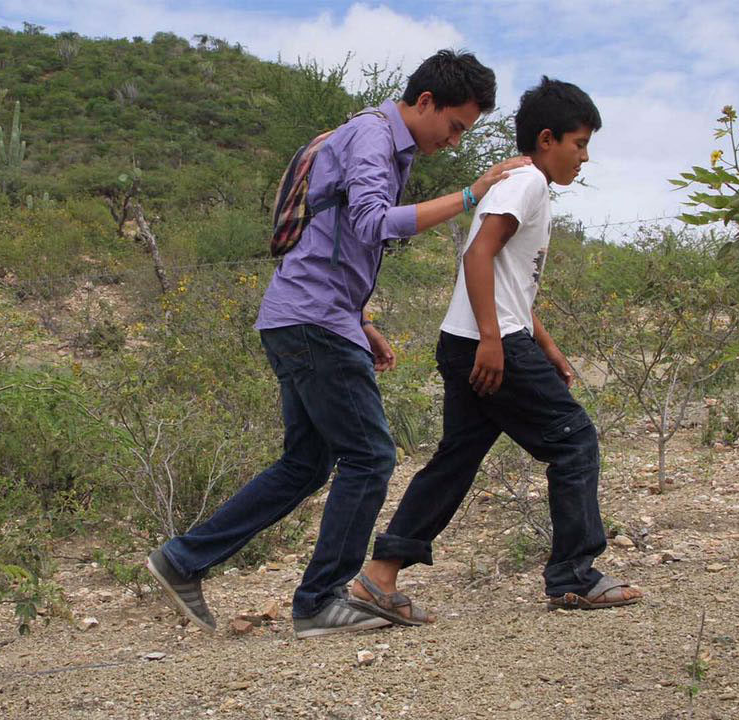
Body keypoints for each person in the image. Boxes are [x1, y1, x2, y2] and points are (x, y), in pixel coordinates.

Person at [145, 50, 531, 639]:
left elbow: (338, 239)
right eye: (454, 126)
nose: (454, 142)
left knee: (306, 462)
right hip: (313, 321)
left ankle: (182, 560)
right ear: (425, 102)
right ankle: (321, 600)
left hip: (308, 315)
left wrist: (362, 319)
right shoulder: (374, 139)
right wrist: (470, 197)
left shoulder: (374, 139)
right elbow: (374, 224)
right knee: (371, 454)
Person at [350, 77, 644, 626]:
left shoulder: (523, 185)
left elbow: (510, 280)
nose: (584, 158)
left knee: (456, 459)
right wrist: (493, 339)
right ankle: (573, 576)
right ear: (548, 138)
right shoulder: (526, 183)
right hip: (490, 343)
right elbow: (477, 257)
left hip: (475, 339)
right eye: (579, 144)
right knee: (574, 440)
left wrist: (546, 344)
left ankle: (378, 577)